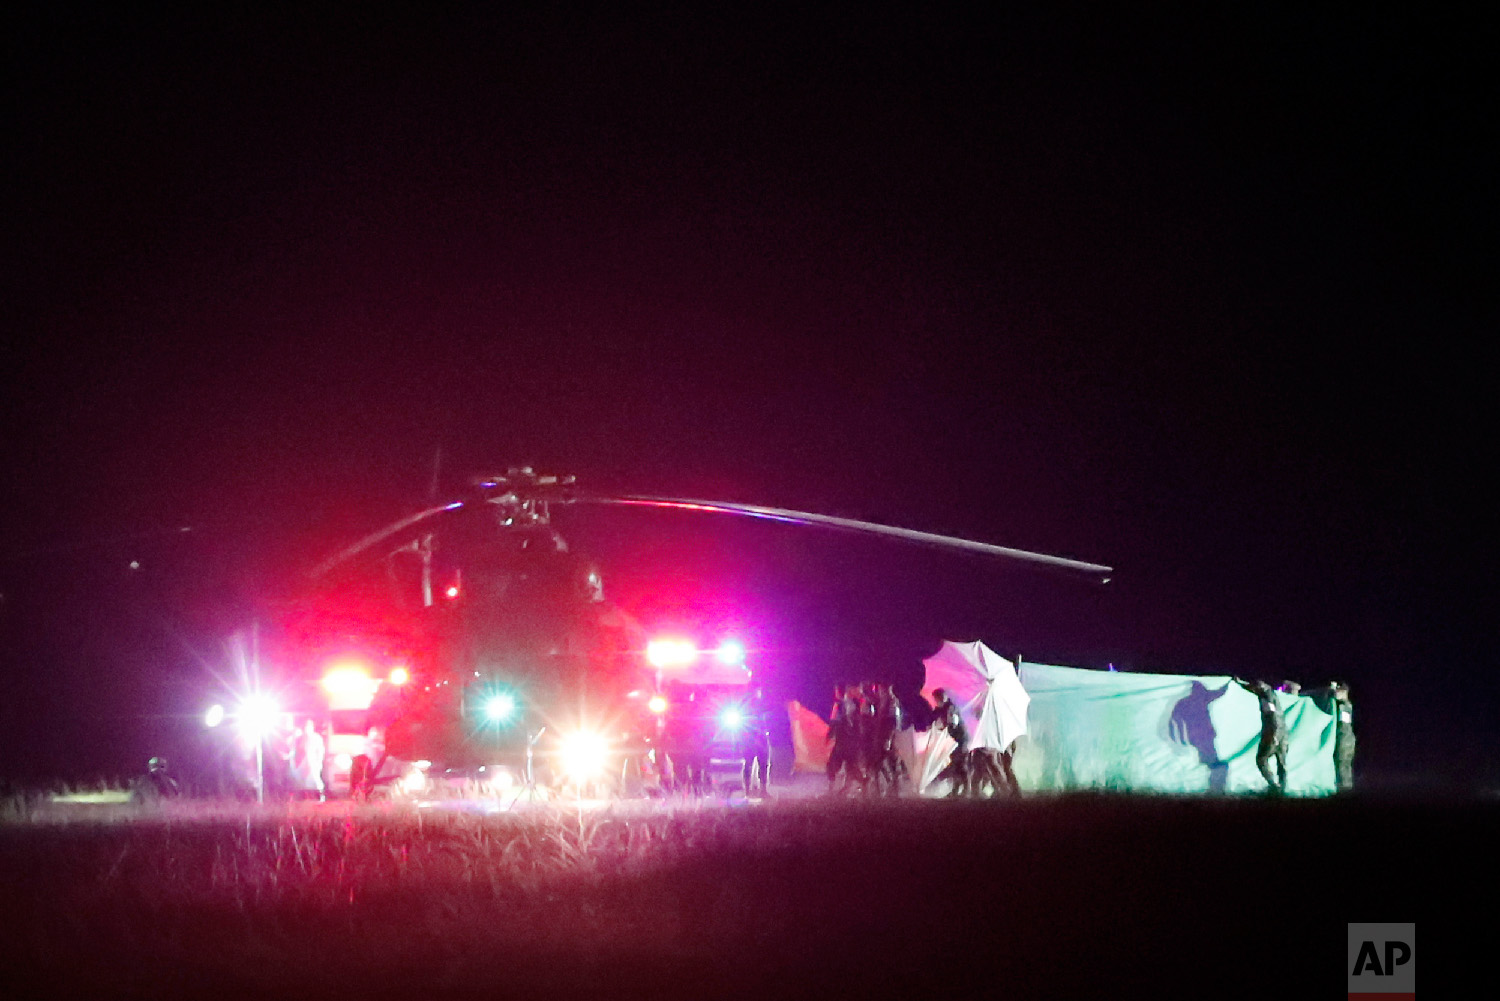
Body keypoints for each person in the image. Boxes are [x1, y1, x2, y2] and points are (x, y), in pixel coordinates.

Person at [1235, 679, 1294, 794]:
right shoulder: (1271, 694)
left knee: (1261, 759)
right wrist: (1241, 683)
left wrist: (1273, 735)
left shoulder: (1266, 697)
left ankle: (1274, 785)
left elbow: (1272, 716)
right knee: (1281, 762)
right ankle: (1283, 787)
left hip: (1273, 732)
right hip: (1283, 733)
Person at [931, 688, 970, 796]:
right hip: (955, 740)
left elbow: (952, 724)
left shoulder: (951, 709)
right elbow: (933, 716)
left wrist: (942, 728)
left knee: (961, 764)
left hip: (960, 740)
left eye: (937, 698)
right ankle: (956, 790)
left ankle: (966, 789)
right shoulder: (943, 708)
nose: (936, 701)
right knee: (958, 765)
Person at [825, 684, 863, 795]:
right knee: (849, 764)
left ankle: (836, 788)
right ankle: (850, 786)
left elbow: (835, 722)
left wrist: (830, 735)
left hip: (844, 740)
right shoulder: (853, 704)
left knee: (836, 764)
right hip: (850, 740)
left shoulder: (840, 705)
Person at [738, 687, 773, 799]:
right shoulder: (748, 705)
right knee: (752, 764)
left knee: (761, 764)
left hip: (757, 738)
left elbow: (768, 718)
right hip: (751, 738)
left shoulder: (760, 704)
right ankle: (750, 791)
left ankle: (758, 790)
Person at [1331, 682, 1355, 792]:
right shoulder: (1346, 705)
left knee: (1342, 765)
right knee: (1345, 766)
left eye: (1339, 691)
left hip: (1344, 739)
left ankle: (1344, 790)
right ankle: (1346, 788)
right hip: (1347, 739)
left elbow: (1342, 725)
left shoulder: (1344, 706)